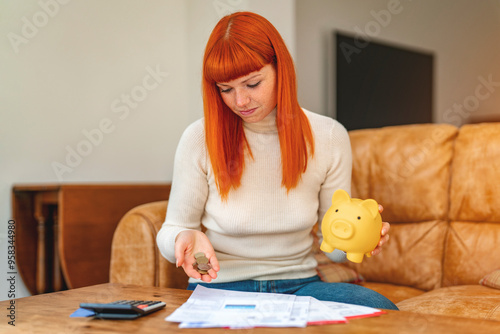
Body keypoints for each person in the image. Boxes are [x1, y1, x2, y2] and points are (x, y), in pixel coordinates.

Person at [156, 11, 397, 310]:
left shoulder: (330, 136)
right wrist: (184, 237)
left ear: (280, 69)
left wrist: (358, 240)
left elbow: (331, 245)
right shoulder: (198, 138)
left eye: (252, 83)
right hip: (222, 287)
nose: (240, 101)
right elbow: (170, 231)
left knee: (384, 314)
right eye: (226, 89)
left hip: (300, 285)